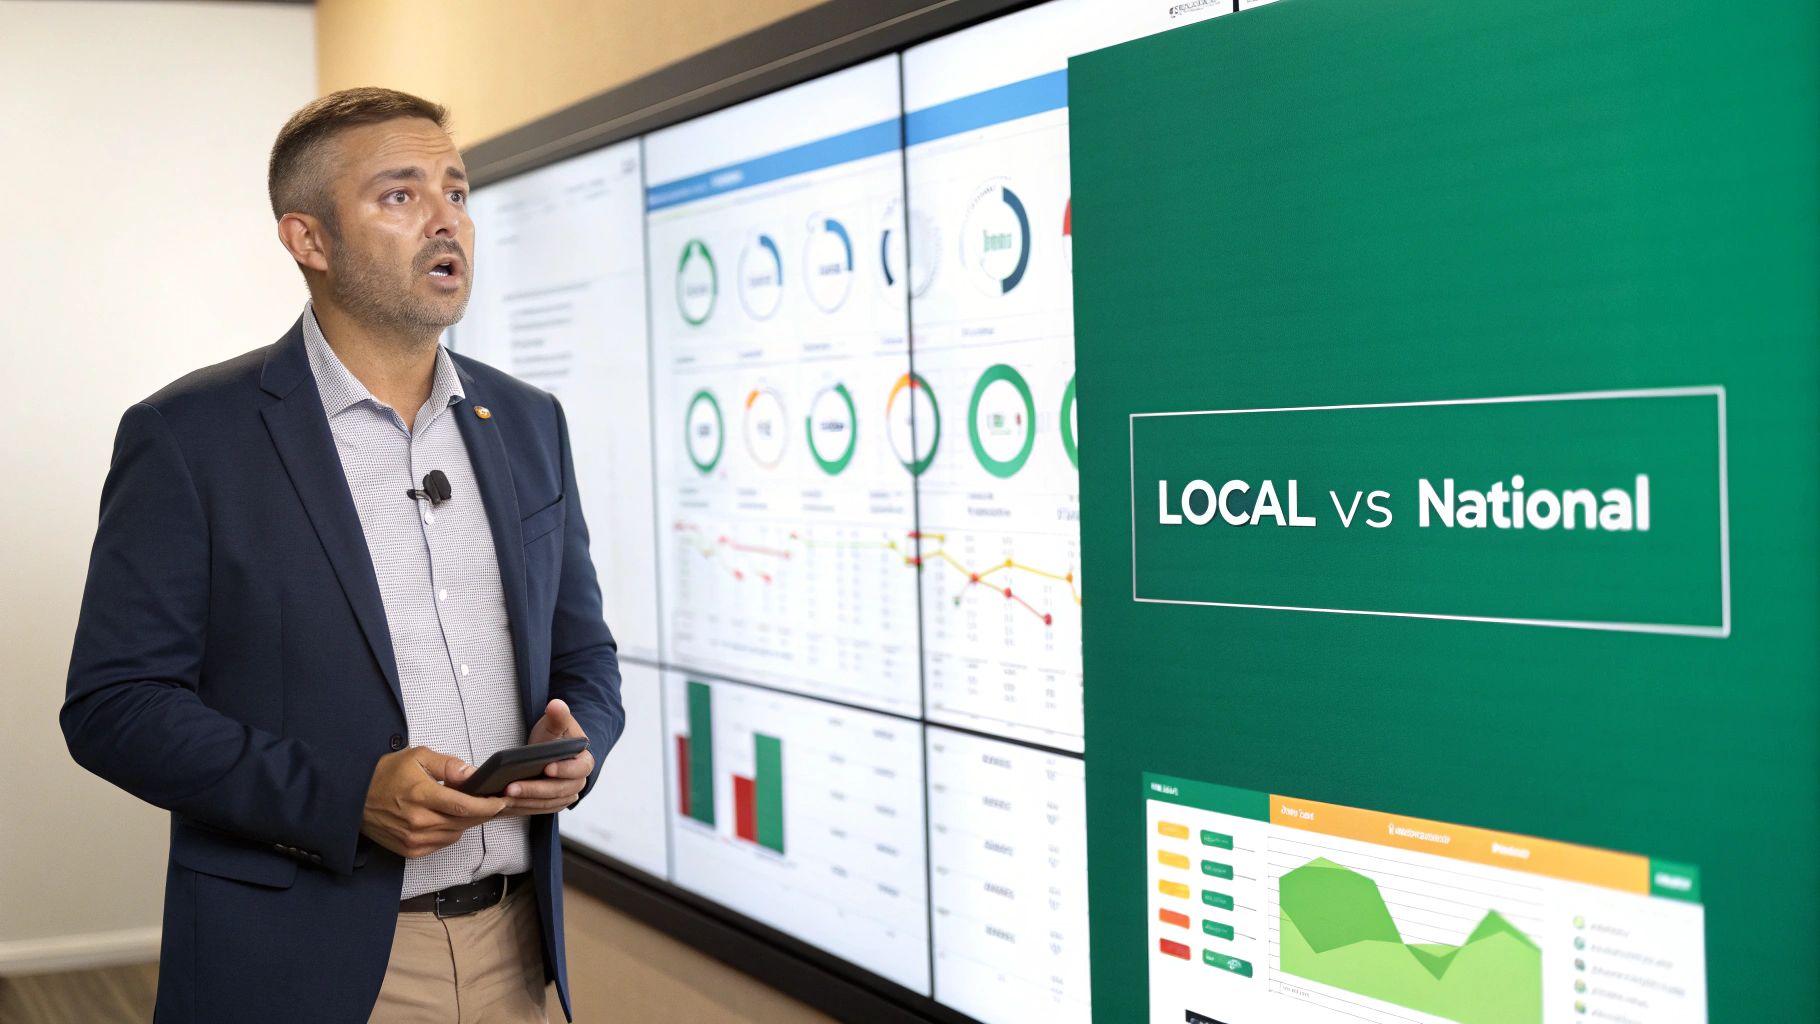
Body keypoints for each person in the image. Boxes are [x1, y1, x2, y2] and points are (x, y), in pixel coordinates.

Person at [60, 87, 623, 1024]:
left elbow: (586, 654)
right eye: (401, 196)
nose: (447, 218)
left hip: (519, 954)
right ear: (307, 240)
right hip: (301, 964)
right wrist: (343, 796)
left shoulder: (529, 421)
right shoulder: (190, 436)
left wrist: (582, 745)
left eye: (456, 189)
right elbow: (114, 706)